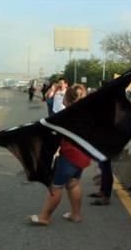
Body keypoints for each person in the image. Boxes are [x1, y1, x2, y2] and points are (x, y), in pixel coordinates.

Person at [30, 84, 88, 225]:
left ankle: (44, 217)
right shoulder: (86, 114)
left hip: (69, 156)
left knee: (56, 187)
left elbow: (54, 136)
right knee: (73, 183)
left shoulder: (65, 116)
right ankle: (76, 215)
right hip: (82, 155)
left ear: (67, 98)